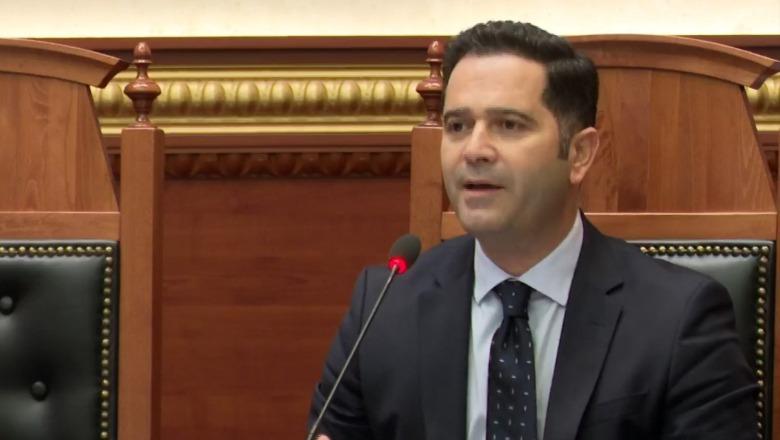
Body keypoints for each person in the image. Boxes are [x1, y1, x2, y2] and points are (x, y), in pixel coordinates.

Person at [308, 20, 757, 440]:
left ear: (579, 154)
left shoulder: (677, 318)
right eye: (458, 126)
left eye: (508, 125)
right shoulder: (385, 305)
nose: (474, 150)